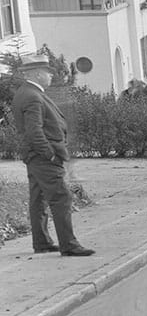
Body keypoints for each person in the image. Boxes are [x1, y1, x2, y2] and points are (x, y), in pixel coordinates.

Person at [11, 56, 94, 256]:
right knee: (61, 198)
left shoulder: (27, 93)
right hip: (43, 157)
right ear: (37, 74)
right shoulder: (33, 96)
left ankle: (42, 242)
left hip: (34, 156)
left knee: (38, 198)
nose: (50, 76)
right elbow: (35, 132)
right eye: (48, 72)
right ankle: (69, 245)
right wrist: (49, 155)